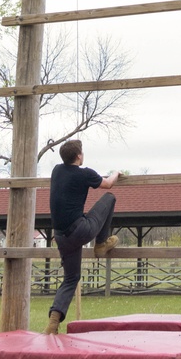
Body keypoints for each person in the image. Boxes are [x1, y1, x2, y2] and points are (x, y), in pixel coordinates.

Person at [44, 139, 120, 335]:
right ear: (79, 156)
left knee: (70, 278)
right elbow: (109, 185)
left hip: (61, 236)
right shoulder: (85, 174)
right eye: (82, 152)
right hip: (81, 230)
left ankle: (53, 321)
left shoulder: (56, 171)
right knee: (109, 199)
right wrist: (117, 173)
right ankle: (101, 243)